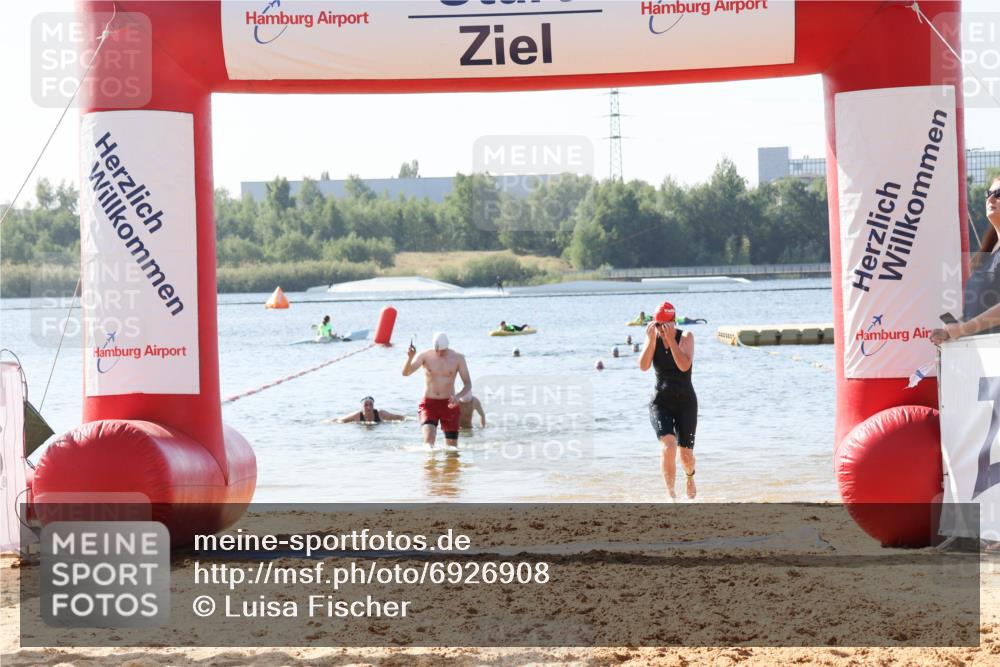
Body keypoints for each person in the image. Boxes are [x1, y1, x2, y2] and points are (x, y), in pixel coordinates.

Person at [639, 301, 698, 500]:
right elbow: (644, 366)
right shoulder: (653, 337)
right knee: (668, 446)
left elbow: (683, 366)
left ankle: (689, 477)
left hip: (685, 403)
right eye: (658, 325)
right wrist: (652, 341)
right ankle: (671, 496)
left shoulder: (686, 338)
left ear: (673, 322)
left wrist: (672, 340)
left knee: (686, 457)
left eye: (665, 325)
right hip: (660, 402)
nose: (661, 330)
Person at [931, 177, 1000, 344]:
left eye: (998, 194)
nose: (990, 199)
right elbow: (980, 308)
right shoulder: (989, 254)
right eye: (988, 193)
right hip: (979, 358)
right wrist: (953, 330)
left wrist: (963, 329)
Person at [402, 332, 472, 448]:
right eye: (439, 350)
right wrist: (410, 358)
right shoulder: (425, 356)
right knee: (429, 440)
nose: (441, 353)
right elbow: (406, 373)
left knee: (452, 448)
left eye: (444, 350)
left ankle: (450, 466)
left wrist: (458, 396)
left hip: (449, 404)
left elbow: (468, 384)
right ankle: (430, 465)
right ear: (434, 346)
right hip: (429, 404)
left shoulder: (458, 358)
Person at [328, 396, 405, 424]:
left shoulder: (380, 413)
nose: (368, 407)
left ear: (373, 405)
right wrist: (328, 422)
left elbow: (398, 417)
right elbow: (340, 420)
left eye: (370, 405)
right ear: (362, 407)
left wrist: (411, 419)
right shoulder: (357, 415)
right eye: (366, 405)